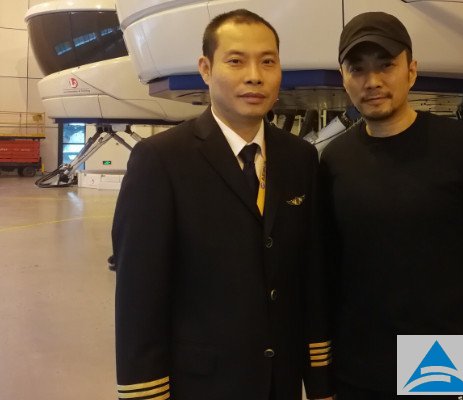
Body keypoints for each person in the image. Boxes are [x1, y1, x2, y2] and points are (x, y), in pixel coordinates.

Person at [113, 9, 332, 400]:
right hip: (202, 385)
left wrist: (319, 382)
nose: (254, 76)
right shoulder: (162, 160)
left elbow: (311, 277)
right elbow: (139, 294)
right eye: (236, 61)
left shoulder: (300, 158)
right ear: (206, 68)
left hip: (280, 383)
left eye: (268, 62)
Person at [319, 11, 463, 400]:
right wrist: (323, 380)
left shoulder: (462, 147)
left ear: (411, 71)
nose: (372, 81)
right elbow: (327, 273)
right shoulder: (335, 160)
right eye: (357, 69)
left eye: (386, 65)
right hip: (359, 372)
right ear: (344, 78)